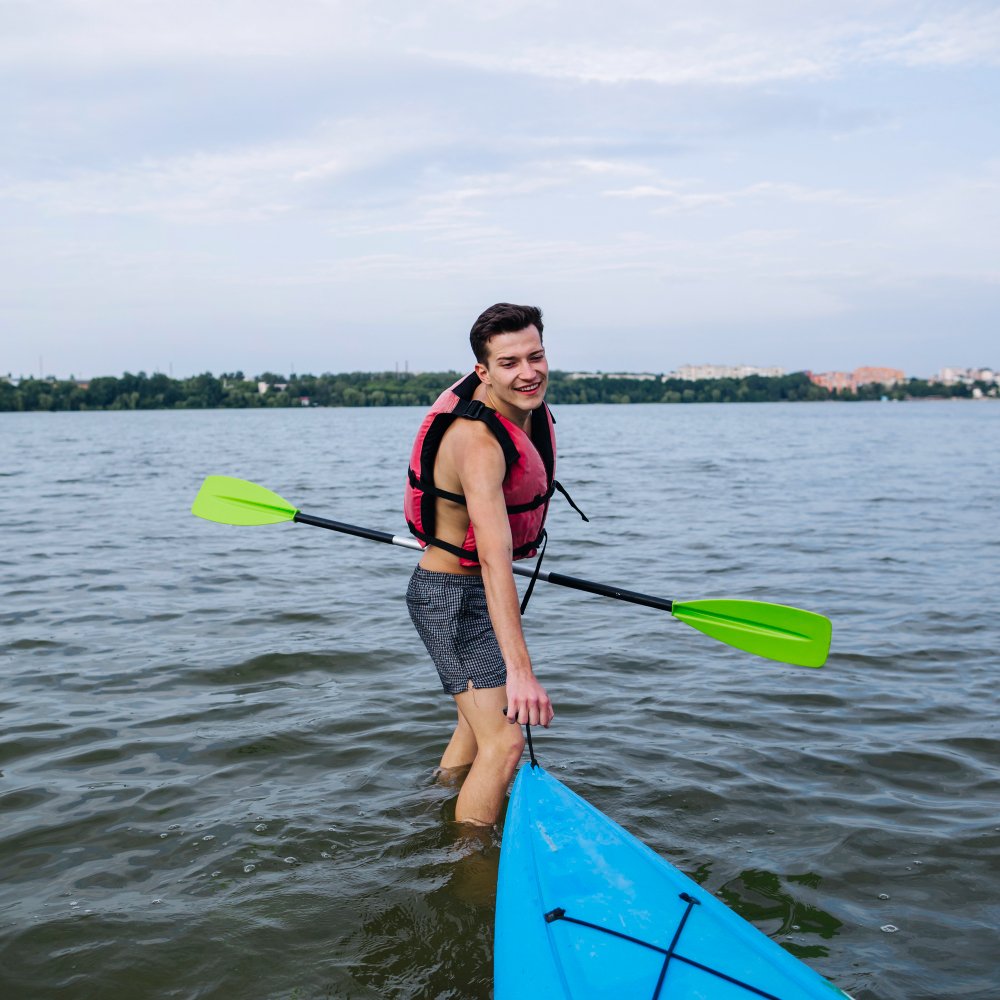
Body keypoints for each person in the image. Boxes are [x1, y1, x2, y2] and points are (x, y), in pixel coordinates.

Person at [404, 303, 578, 827]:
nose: (528, 373)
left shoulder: (512, 406)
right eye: (509, 363)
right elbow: (496, 561)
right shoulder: (479, 443)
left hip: (470, 590)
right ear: (482, 371)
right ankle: (468, 870)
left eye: (536, 356)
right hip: (450, 599)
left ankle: (438, 804)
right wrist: (523, 674)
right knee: (503, 745)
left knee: (473, 728)